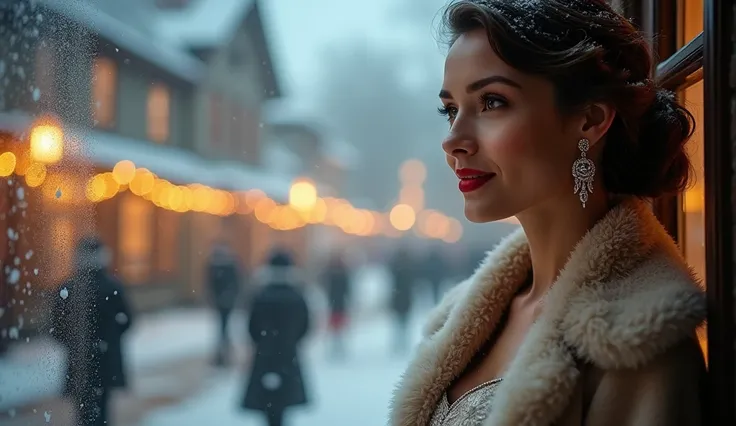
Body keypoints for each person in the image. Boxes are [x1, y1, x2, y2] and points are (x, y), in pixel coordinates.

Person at [388, 1, 707, 425]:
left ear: (590, 120)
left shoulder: (637, 340)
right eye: (451, 110)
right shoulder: (462, 316)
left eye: (492, 102)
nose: (454, 140)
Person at [50, 237, 134, 426]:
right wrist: (109, 340)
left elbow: (56, 327)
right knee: (101, 410)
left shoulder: (69, 287)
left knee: (82, 411)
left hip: (79, 360)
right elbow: (127, 320)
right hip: (105, 361)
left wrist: (75, 343)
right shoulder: (112, 286)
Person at [241, 249, 310, 426]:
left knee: (266, 400)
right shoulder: (296, 295)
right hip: (288, 354)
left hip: (264, 354)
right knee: (284, 400)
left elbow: (251, 326)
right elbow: (306, 326)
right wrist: (292, 341)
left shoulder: (261, 295)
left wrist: (263, 342)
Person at [206, 241, 243, 366]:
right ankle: (224, 351)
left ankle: (223, 352)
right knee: (223, 327)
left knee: (223, 327)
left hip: (224, 301)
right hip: (223, 301)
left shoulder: (218, 265)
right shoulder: (223, 264)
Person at [323, 251, 352, 359]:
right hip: (339, 302)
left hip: (334, 302)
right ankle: (339, 347)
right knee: (339, 327)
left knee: (335, 327)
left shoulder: (330, 272)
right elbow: (347, 288)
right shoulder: (343, 272)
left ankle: (336, 347)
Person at [389, 247, 415, 354]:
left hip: (398, 296)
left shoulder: (396, 267)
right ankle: (403, 341)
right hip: (405, 297)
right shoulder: (409, 267)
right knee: (404, 321)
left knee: (398, 321)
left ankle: (399, 341)